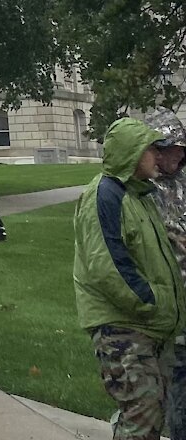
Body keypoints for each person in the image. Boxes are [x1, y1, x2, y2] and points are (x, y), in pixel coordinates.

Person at [75, 116, 186, 438]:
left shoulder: (139, 196)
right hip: (124, 324)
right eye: (152, 149)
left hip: (150, 325)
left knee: (149, 412)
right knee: (143, 409)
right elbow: (107, 266)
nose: (158, 155)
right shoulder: (106, 195)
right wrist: (152, 302)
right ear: (133, 152)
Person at [147, 109, 186, 440]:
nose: (178, 153)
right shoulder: (142, 190)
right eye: (171, 147)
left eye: (179, 147)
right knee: (161, 390)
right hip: (164, 306)